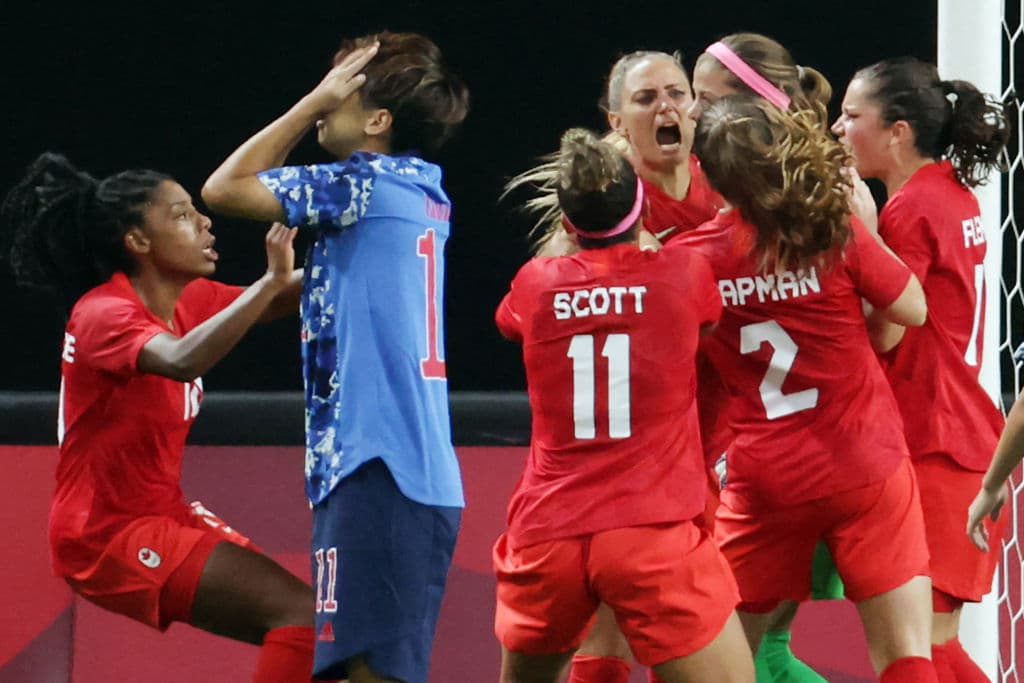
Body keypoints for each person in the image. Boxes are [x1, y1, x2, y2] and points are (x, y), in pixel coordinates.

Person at [200, 31, 469, 683]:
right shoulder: (418, 190)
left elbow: (224, 188)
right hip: (389, 470)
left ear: (379, 121)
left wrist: (306, 105)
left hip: (380, 469)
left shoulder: (362, 186)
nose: (328, 99)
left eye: (343, 89)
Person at [0, 152, 315, 683]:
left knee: (324, 629)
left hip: (162, 511)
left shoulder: (186, 298)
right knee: (301, 619)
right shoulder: (103, 313)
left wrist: (363, 249)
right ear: (138, 241)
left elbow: (272, 302)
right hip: (105, 534)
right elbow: (182, 359)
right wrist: (268, 282)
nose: (204, 222)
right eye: (182, 215)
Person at [681, 96, 937, 682]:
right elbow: (914, 309)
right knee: (905, 654)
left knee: (723, 662)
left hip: (767, 480)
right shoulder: (829, 229)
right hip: (865, 461)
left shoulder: (691, 261)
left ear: (707, 175)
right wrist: (868, 231)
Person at [494, 126, 754, 683]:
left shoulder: (535, 285)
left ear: (568, 223)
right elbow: (706, 323)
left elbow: (511, 322)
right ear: (641, 210)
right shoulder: (683, 274)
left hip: (548, 536)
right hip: (650, 531)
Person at [831, 57, 1010, 683]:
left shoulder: (908, 210)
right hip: (960, 436)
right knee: (934, 649)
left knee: (921, 652)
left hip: (936, 444)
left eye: (851, 115)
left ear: (897, 132)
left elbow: (886, 331)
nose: (837, 128)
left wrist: (863, 234)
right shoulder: (951, 193)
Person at [686, 34, 850, 683]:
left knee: (728, 654)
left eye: (705, 99)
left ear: (756, 104)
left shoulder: (824, 201)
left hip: (783, 454)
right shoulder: (730, 188)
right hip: (767, 447)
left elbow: (894, 319)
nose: (691, 112)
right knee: (765, 654)